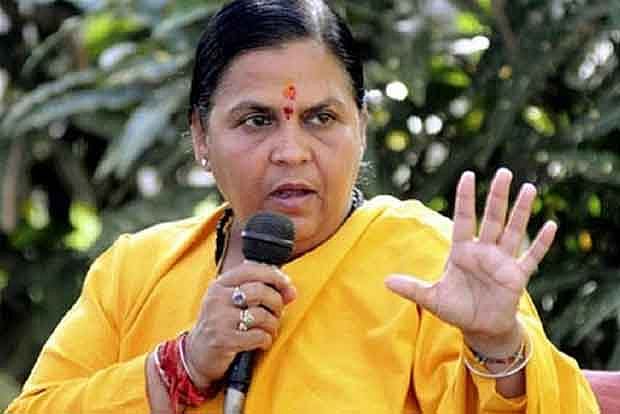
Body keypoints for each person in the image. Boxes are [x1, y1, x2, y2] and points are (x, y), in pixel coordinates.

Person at [6, 0, 599, 413]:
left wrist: (500, 350)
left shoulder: (433, 263)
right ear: (201, 137)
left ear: (361, 128)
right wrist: (181, 367)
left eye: (321, 118)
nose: (291, 151)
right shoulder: (135, 270)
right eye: (256, 120)